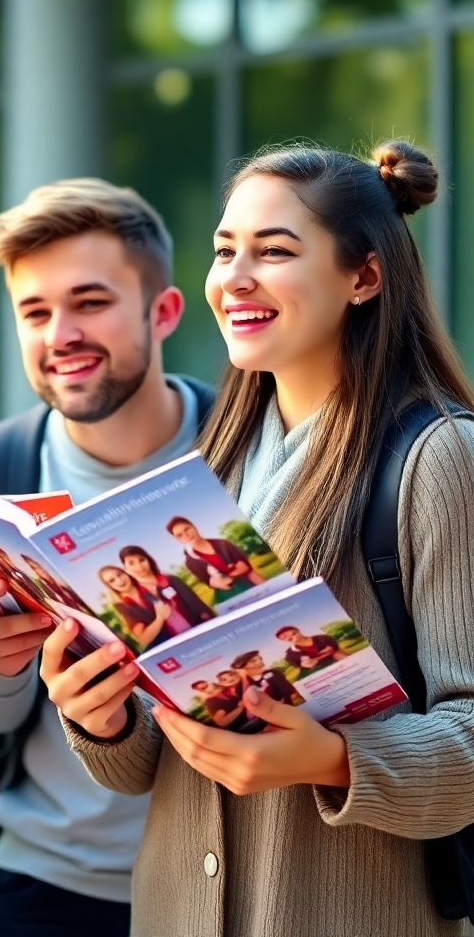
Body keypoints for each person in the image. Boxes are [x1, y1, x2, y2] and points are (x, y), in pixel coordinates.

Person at [42, 140, 474, 936]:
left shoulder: (439, 457)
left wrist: (334, 759)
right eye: (224, 250)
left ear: (364, 276)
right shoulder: (213, 461)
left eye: (274, 252)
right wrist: (101, 717)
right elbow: (152, 767)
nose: (235, 278)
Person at [0, 178, 214, 937]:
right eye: (35, 311)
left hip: (221, 880)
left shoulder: (249, 451)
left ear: (162, 313)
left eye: (90, 302)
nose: (60, 333)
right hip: (50, 882)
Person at [119, 544, 215, 630]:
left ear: (148, 560)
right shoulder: (135, 594)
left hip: (195, 626)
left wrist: (208, 620)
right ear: (125, 568)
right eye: (131, 563)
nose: (139, 566)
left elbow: (195, 603)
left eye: (142, 560)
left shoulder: (170, 579)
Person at [166, 515, 265, 597]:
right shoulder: (191, 562)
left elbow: (248, 570)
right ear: (178, 540)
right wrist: (231, 573)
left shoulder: (224, 544)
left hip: (251, 586)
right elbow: (212, 583)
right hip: (229, 596)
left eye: (187, 529)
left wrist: (267, 588)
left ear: (194, 527)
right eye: (180, 535)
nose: (186, 535)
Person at [97, 564, 171, 650]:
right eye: (112, 580)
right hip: (163, 646)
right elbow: (144, 639)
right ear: (110, 586)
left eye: (119, 574)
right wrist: (160, 618)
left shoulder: (147, 586)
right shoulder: (123, 606)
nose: (119, 581)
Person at [229, 650, 302, 708]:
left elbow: (291, 693)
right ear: (243, 667)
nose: (259, 661)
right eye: (253, 661)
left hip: (287, 709)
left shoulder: (273, 673)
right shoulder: (240, 687)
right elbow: (251, 705)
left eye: (260, 658)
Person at [275, 625, 345, 673]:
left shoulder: (322, 638)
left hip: (340, 664)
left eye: (293, 633)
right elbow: (297, 665)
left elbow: (334, 649)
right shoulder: (290, 654)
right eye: (285, 637)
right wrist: (303, 665)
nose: (290, 637)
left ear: (299, 631)